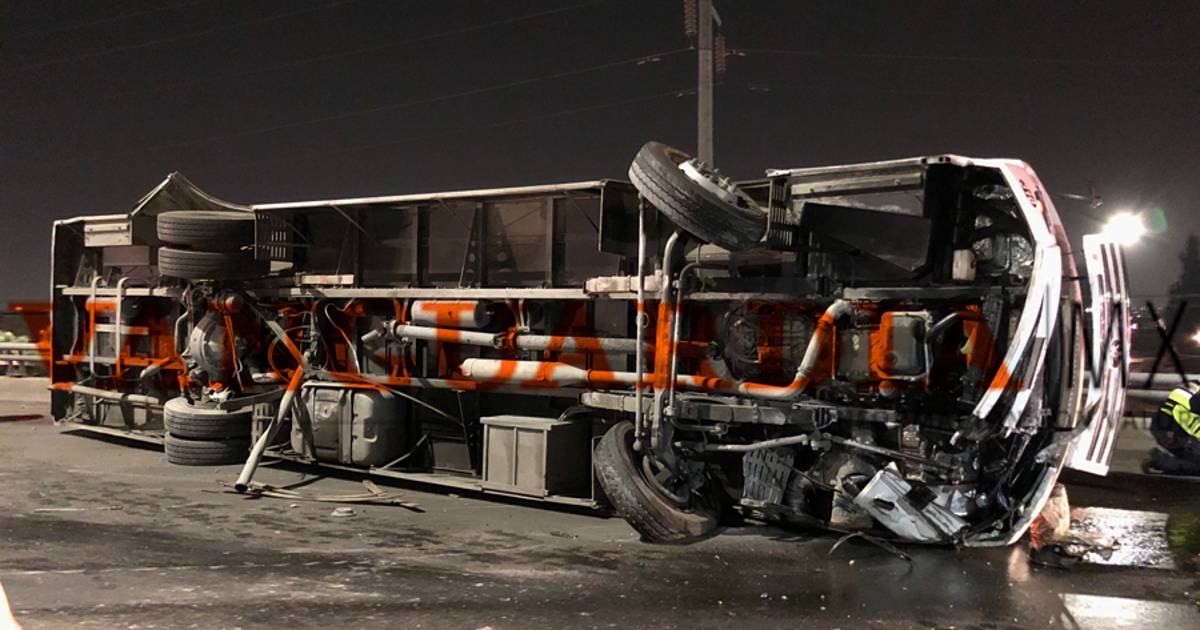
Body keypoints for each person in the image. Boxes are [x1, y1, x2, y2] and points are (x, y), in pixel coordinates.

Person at [1143, 383, 1200, 475]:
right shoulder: (1189, 407)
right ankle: (1160, 461)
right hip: (1172, 435)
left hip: (1170, 430)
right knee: (1196, 466)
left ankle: (1164, 461)